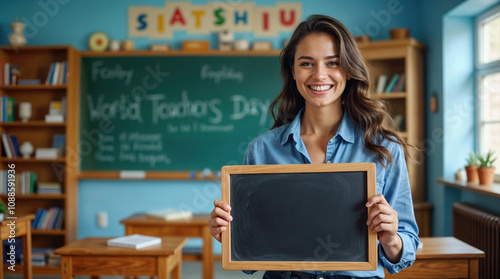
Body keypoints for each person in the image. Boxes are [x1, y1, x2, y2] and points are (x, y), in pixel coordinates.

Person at [209, 14, 419, 279]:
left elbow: (405, 251)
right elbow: (248, 263)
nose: (319, 74)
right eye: (306, 63)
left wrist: (391, 239)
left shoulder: (384, 148)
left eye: (333, 63)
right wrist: (229, 236)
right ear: (293, 71)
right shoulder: (262, 150)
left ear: (348, 69)